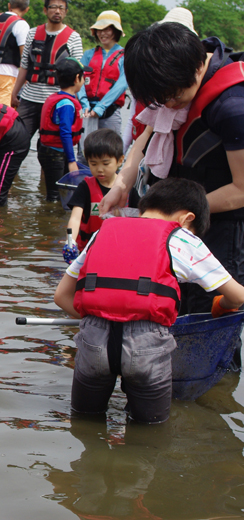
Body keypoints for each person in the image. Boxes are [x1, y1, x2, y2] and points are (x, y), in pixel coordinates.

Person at [54, 178, 244, 423]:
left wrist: (99, 317)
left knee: (85, 424)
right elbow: (237, 296)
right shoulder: (183, 238)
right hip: (147, 347)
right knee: (149, 438)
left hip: (93, 343)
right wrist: (222, 306)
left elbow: (61, 296)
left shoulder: (105, 230)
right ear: (187, 219)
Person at [101, 22, 244, 322]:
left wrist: (178, 214)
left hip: (219, 223)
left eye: (172, 95)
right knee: (168, 306)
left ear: (195, 69)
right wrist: (122, 183)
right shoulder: (173, 78)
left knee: (209, 317)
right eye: (158, 98)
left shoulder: (232, 107)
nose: (166, 104)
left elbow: (241, 189)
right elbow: (147, 135)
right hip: (177, 219)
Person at [10, 0, 84, 138]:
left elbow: (78, 74)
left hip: (57, 100)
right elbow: (24, 66)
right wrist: (14, 93)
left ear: (66, 12)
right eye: (53, 7)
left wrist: (77, 101)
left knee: (50, 147)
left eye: (61, 8)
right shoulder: (32, 33)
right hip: (30, 98)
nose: (57, 11)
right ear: (45, 10)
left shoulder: (73, 38)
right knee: (17, 138)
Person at [64, 128, 125, 261]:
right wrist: (70, 242)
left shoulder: (127, 188)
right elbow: (75, 218)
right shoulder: (85, 187)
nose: (99, 169)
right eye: (93, 164)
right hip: (88, 250)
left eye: (105, 163)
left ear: (120, 161)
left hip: (119, 249)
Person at [38, 57, 88, 202]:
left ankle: (55, 219)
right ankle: (50, 219)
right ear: (78, 78)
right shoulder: (66, 104)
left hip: (52, 151)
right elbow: (65, 132)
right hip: (55, 154)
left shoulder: (61, 99)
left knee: (62, 192)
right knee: (55, 195)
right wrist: (72, 161)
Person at [78, 11, 127, 149]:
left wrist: (101, 106)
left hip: (110, 110)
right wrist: (84, 103)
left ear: (116, 31)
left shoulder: (124, 56)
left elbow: (122, 84)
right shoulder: (89, 54)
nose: (102, 33)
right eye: (99, 30)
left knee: (110, 150)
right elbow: (79, 78)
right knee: (84, 153)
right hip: (87, 109)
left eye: (107, 29)